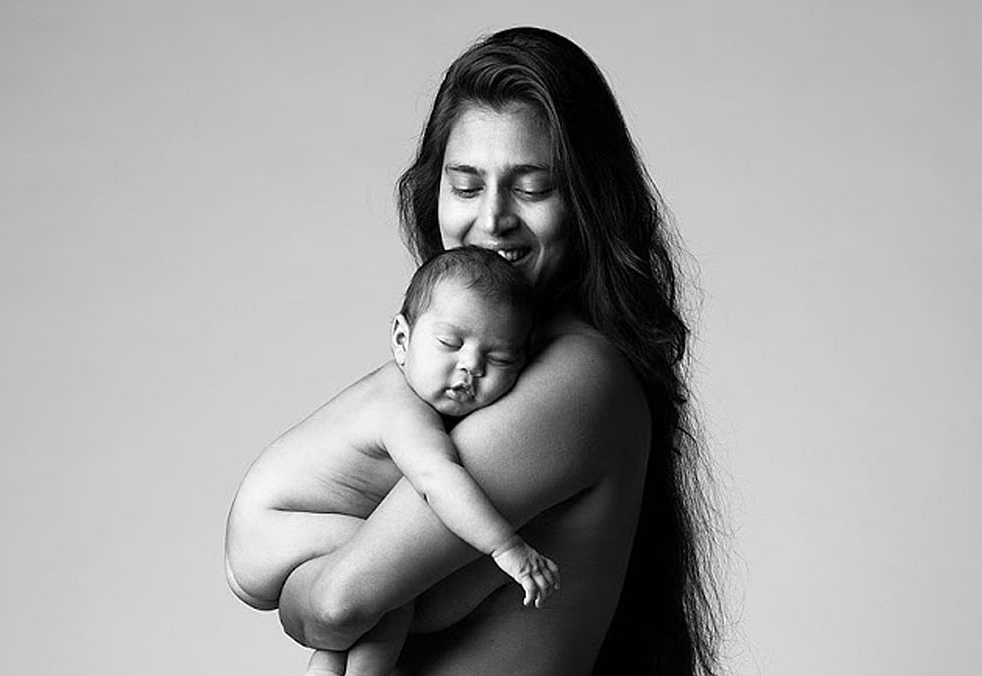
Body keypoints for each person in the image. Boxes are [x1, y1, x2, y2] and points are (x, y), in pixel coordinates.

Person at [258, 26, 723, 675]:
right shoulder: (483, 372)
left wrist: (284, 581)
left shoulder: (577, 379)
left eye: (531, 188)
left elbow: (338, 604)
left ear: (590, 201)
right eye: (467, 185)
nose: (493, 218)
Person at [225, 247, 561, 675]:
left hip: (277, 534)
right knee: (390, 587)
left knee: (373, 602)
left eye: (498, 359)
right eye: (450, 343)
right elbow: (438, 479)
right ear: (402, 341)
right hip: (274, 527)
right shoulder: (401, 409)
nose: (470, 367)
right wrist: (507, 548)